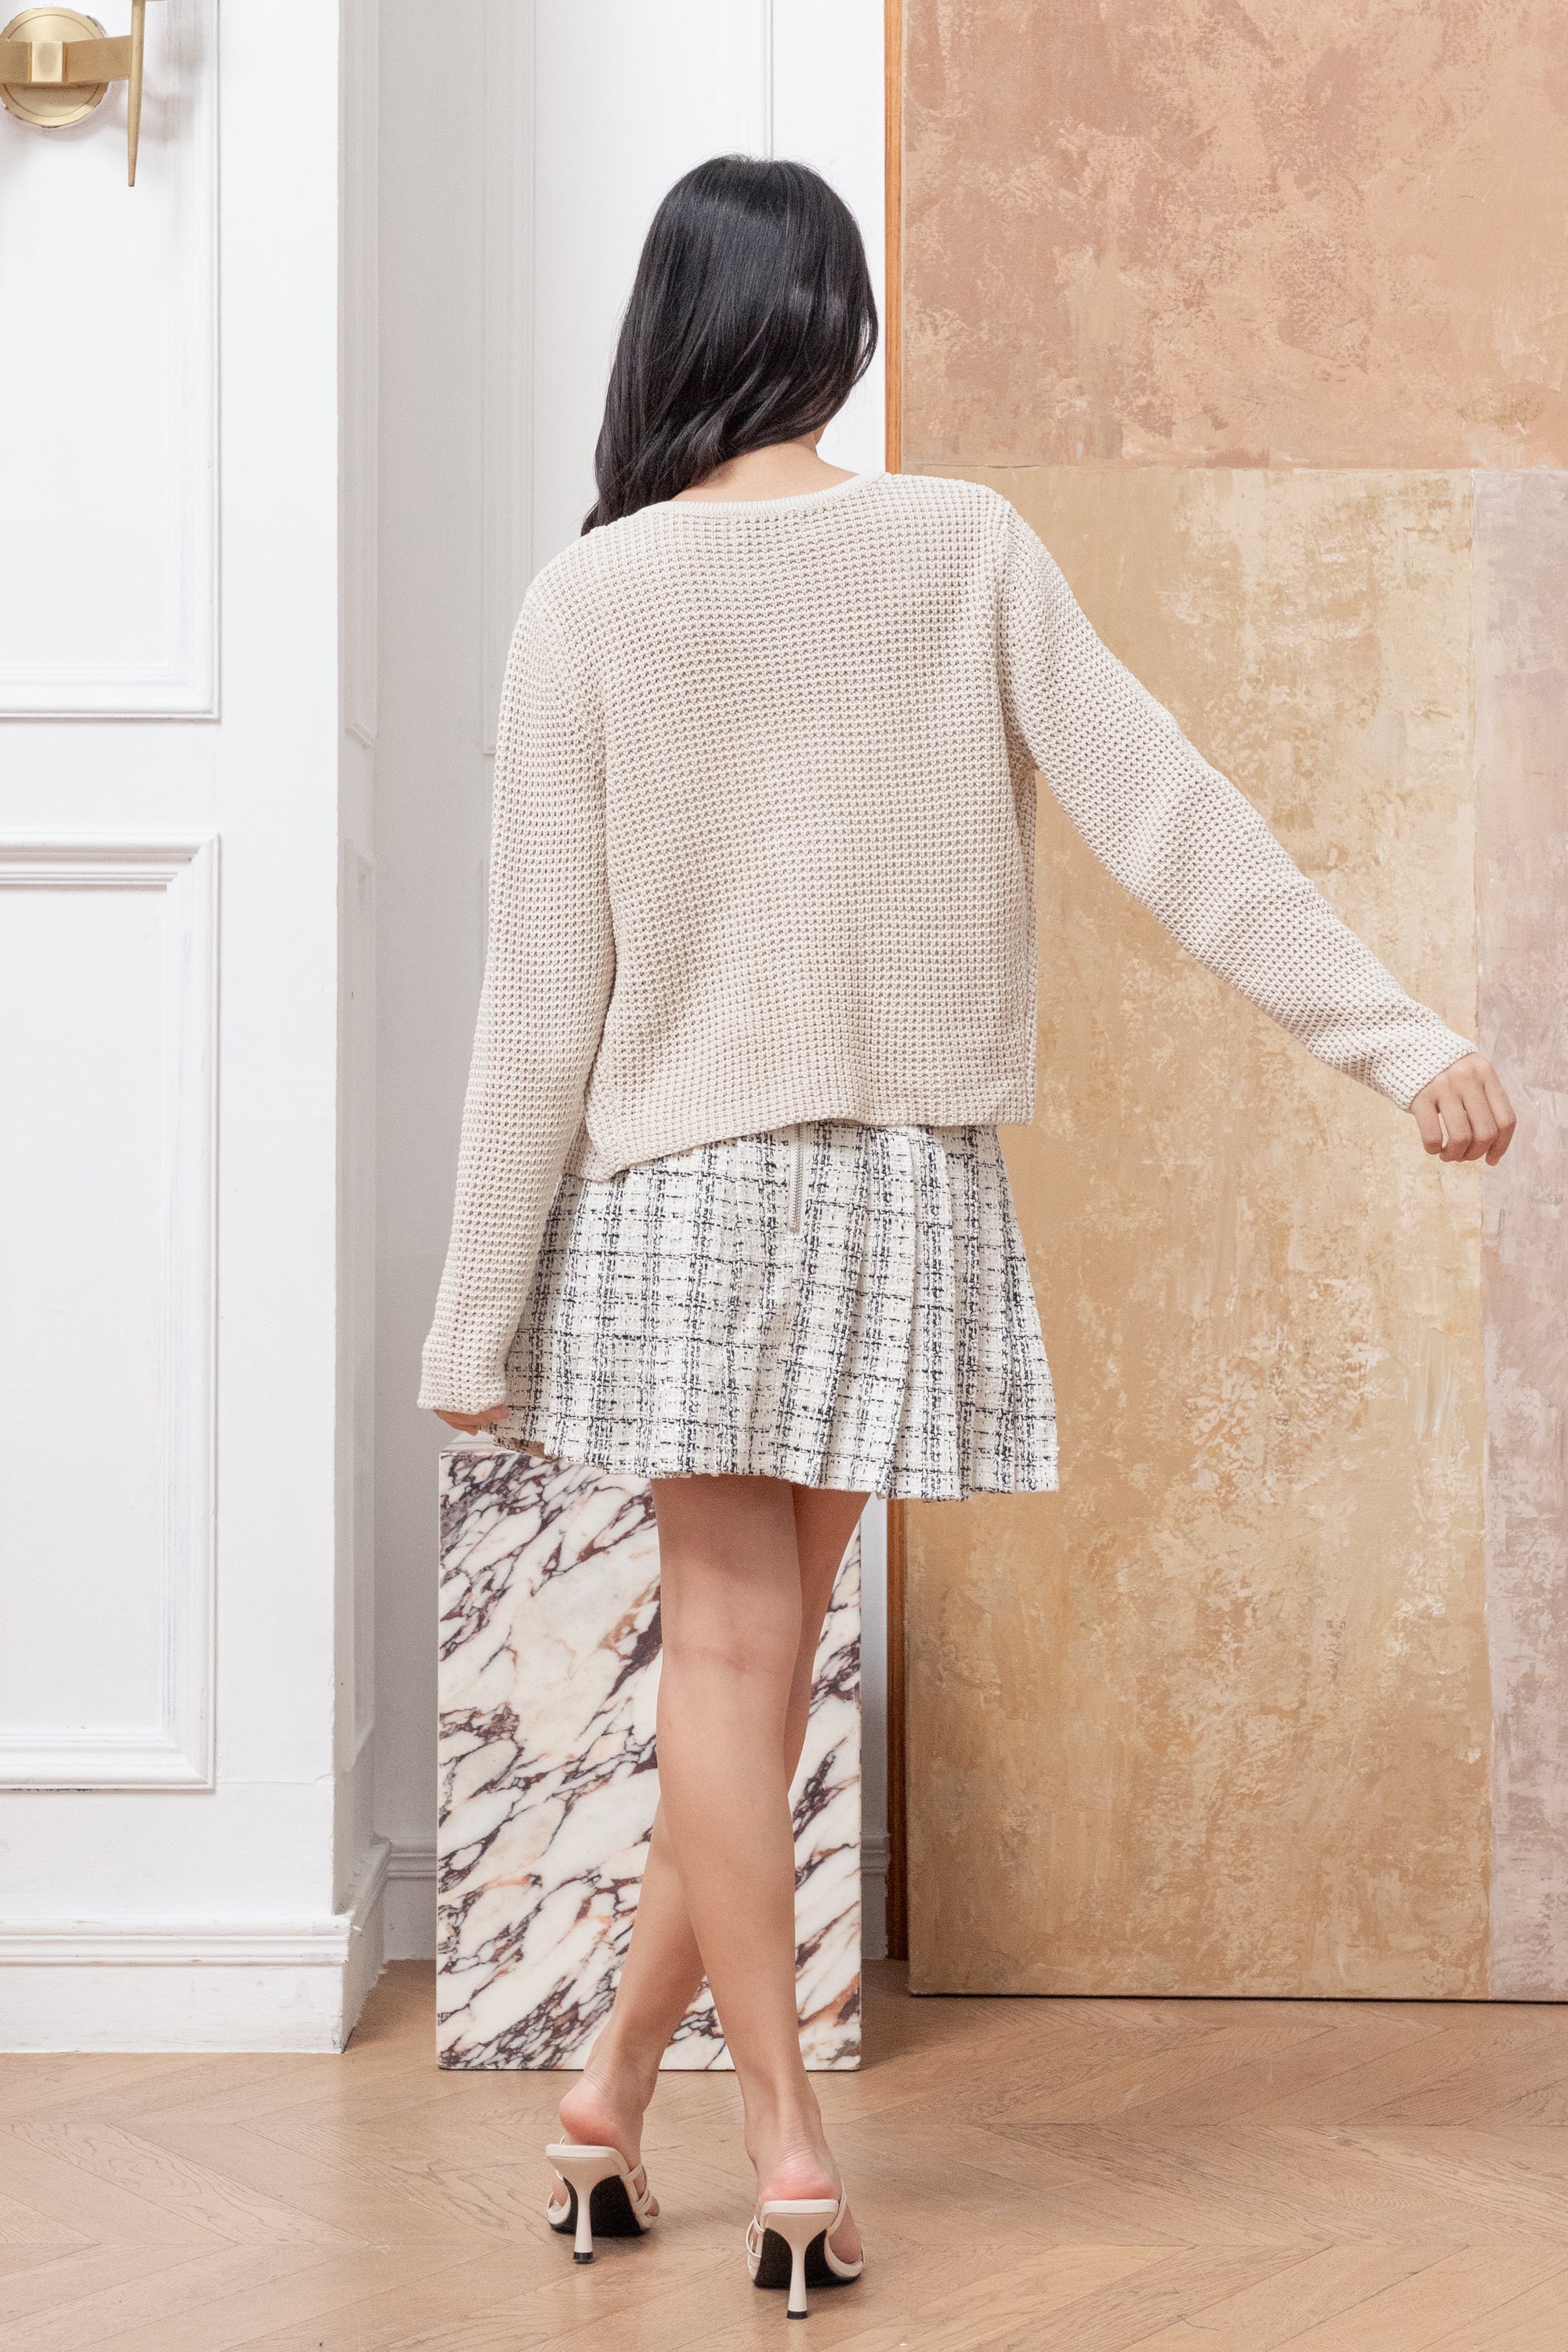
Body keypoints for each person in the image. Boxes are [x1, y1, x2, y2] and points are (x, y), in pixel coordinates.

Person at [419, 154, 1515, 2319]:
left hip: (677, 1201)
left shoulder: (589, 599)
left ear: (667, 331)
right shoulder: (960, 546)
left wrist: (478, 1310)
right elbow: (1169, 814)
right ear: (839, 329)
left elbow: (541, 989)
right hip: (890, 1197)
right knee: (753, 1681)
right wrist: (1399, 1044)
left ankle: (646, 2110)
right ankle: (745, 2136)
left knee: (726, 1678)